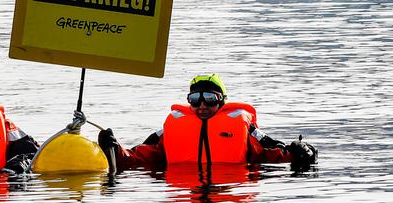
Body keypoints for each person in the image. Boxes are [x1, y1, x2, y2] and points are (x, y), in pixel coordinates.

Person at [96, 74, 317, 172]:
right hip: (186, 193)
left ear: (222, 101)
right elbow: (138, 156)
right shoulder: (170, 129)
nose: (202, 105)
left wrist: (301, 152)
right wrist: (113, 147)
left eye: (210, 99)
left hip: (227, 189)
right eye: (195, 99)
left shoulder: (243, 127)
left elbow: (269, 151)